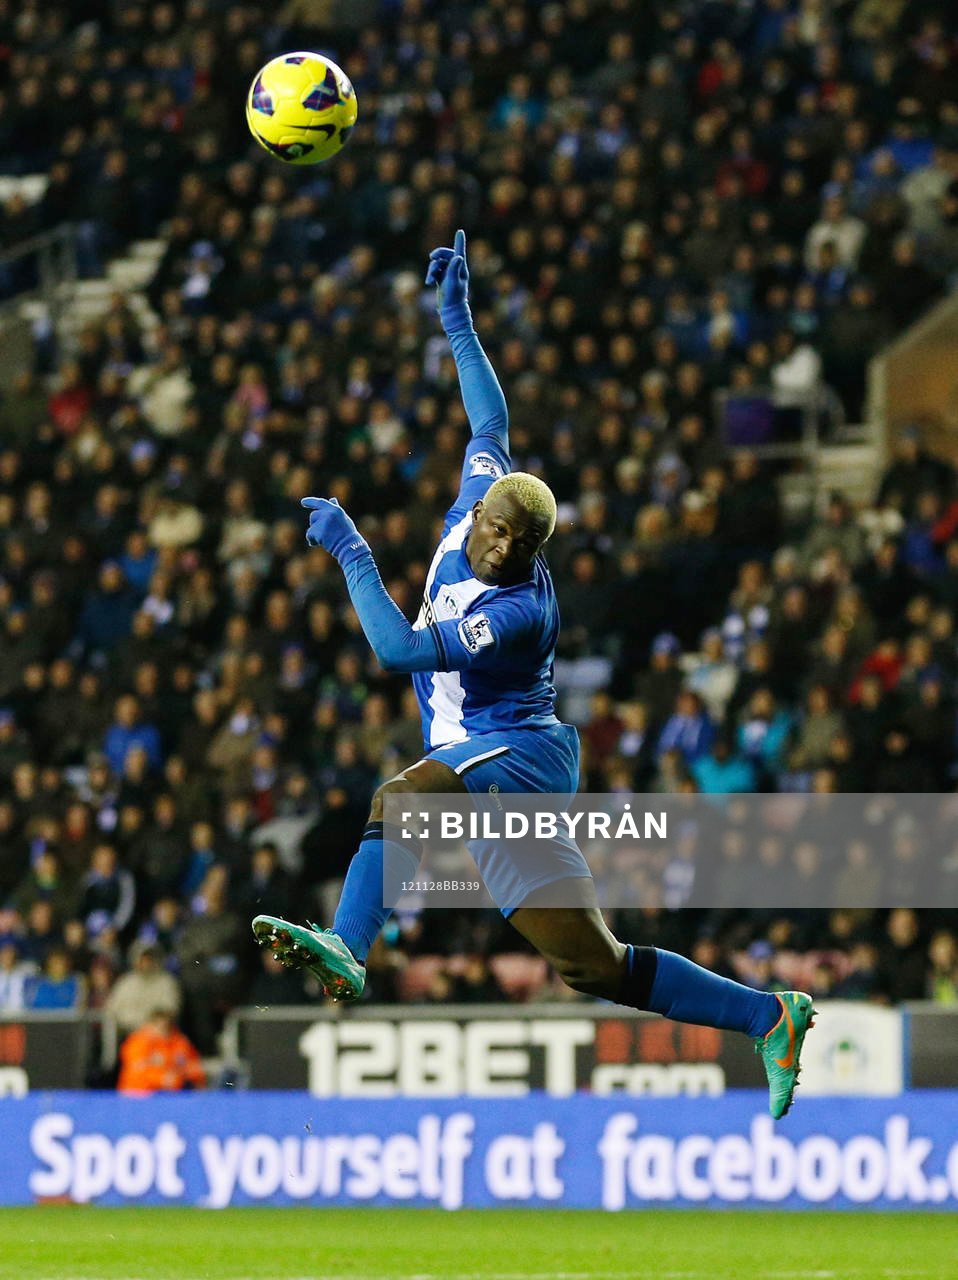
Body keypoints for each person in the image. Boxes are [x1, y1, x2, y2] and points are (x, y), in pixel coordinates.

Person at [253, 231, 816, 1119]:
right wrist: (458, 318)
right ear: (483, 504)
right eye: (497, 527)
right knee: (590, 962)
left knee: (397, 801)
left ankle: (349, 945)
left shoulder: (515, 612)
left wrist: (353, 551)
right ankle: (768, 1017)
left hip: (516, 754)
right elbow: (488, 423)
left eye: (520, 542)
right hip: (492, 765)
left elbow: (397, 651)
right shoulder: (483, 485)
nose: (501, 544)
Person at [116, 1009, 205, 1093]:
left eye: (167, 1026)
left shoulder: (180, 1042)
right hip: (140, 1094)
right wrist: (161, 1079)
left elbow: (193, 1066)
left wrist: (185, 1076)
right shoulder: (137, 1043)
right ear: (150, 1025)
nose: (163, 1030)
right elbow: (137, 1070)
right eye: (159, 1026)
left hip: (173, 1093)